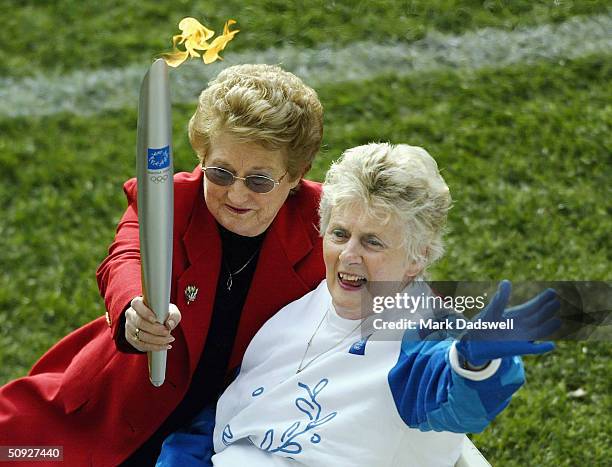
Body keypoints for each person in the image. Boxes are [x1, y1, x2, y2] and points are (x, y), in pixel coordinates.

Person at [0, 64, 325, 465]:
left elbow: (391, 285)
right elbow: (126, 257)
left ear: (296, 175)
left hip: (228, 436)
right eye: (221, 172)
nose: (236, 193)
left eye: (259, 180)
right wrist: (133, 308)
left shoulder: (330, 224)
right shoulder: (169, 199)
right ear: (201, 155)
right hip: (107, 414)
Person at [157, 143, 560, 466]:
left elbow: (452, 399)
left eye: (373, 242)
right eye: (339, 234)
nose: (349, 255)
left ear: (418, 256)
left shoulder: (418, 331)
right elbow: (230, 415)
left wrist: (476, 365)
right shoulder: (302, 306)